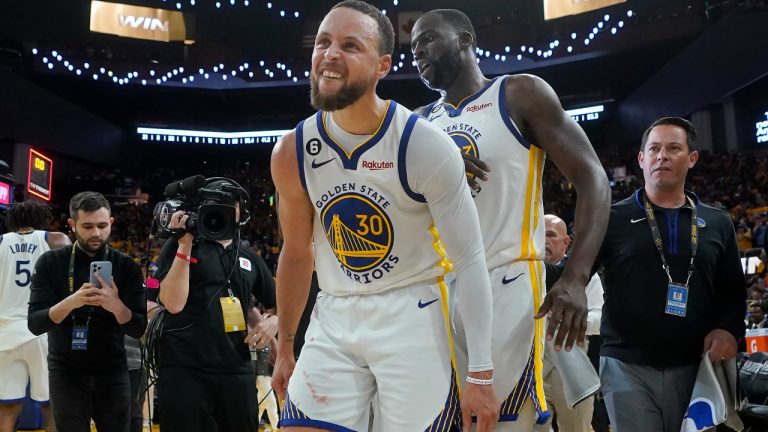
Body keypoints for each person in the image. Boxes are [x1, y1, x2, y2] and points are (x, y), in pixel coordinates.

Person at [271, 1, 498, 431]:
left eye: (350, 45)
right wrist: (285, 346)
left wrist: (481, 374)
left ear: (383, 66)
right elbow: (297, 254)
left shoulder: (423, 145)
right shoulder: (292, 150)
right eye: (324, 42)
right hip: (334, 314)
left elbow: (469, 260)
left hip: (412, 312)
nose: (330, 54)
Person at [410, 9, 611, 429]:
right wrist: (438, 172)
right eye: (412, 48)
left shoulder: (519, 93)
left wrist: (574, 278)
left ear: (465, 40)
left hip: (507, 279)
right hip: (437, 291)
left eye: (427, 39)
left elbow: (593, 177)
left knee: (502, 420)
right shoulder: (420, 125)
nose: (417, 52)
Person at [593, 117, 746, 431]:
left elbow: (732, 290)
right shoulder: (611, 217)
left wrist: (728, 329)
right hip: (626, 363)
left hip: (696, 365)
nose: (661, 155)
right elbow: (575, 275)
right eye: (654, 149)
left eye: (673, 148)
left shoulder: (717, 221)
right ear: (641, 159)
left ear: (692, 158)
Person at [155, 178, 277, 432]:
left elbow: (279, 306)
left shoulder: (248, 258)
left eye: (227, 205)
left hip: (237, 368)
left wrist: (273, 322)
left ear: (240, 212)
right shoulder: (179, 245)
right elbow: (173, 304)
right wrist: (184, 244)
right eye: (214, 204)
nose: (220, 210)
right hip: (184, 369)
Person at [28, 191, 147, 432]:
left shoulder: (127, 267)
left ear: (111, 222)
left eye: (103, 226)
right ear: (72, 225)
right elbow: (35, 323)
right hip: (66, 371)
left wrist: (115, 305)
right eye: (88, 226)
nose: (96, 233)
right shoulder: (50, 263)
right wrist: (72, 301)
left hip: (113, 370)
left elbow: (137, 327)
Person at [0, 202, 69, 432]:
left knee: (8, 407)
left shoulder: (0, 242)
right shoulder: (56, 239)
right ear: (42, 219)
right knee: (52, 405)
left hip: (6, 332)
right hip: (43, 329)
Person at [535, 214, 603, 432]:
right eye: (538, 234)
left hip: (571, 362)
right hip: (532, 366)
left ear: (565, 242)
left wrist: (570, 319)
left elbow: (599, 318)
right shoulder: (526, 272)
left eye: (550, 235)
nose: (543, 239)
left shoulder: (584, 275)